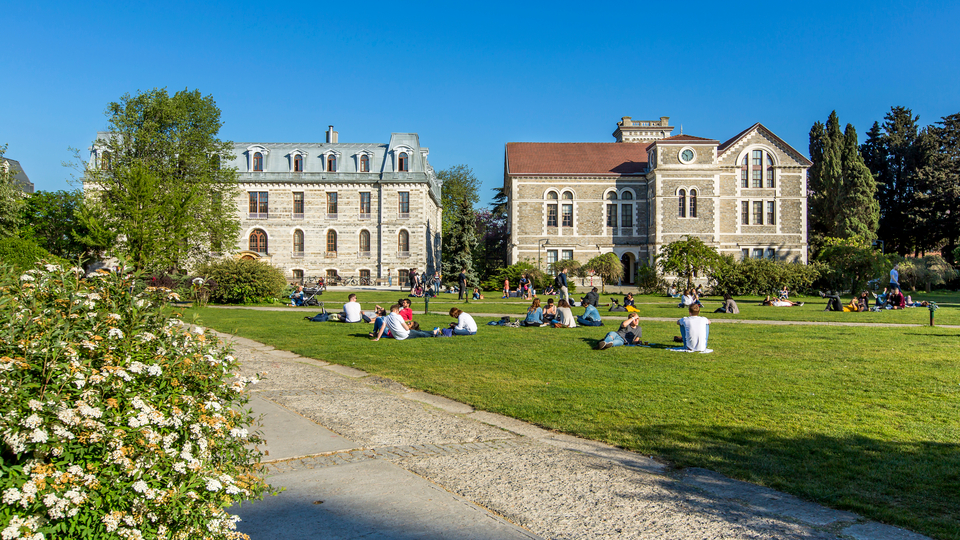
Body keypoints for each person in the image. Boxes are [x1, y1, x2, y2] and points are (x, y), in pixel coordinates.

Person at [372, 304, 438, 340]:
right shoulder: (398, 317)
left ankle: (433, 332)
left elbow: (382, 328)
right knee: (420, 334)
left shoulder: (386, 318)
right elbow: (406, 328)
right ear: (396, 311)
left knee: (419, 332)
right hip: (404, 335)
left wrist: (377, 338)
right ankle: (433, 333)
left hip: (396, 337)